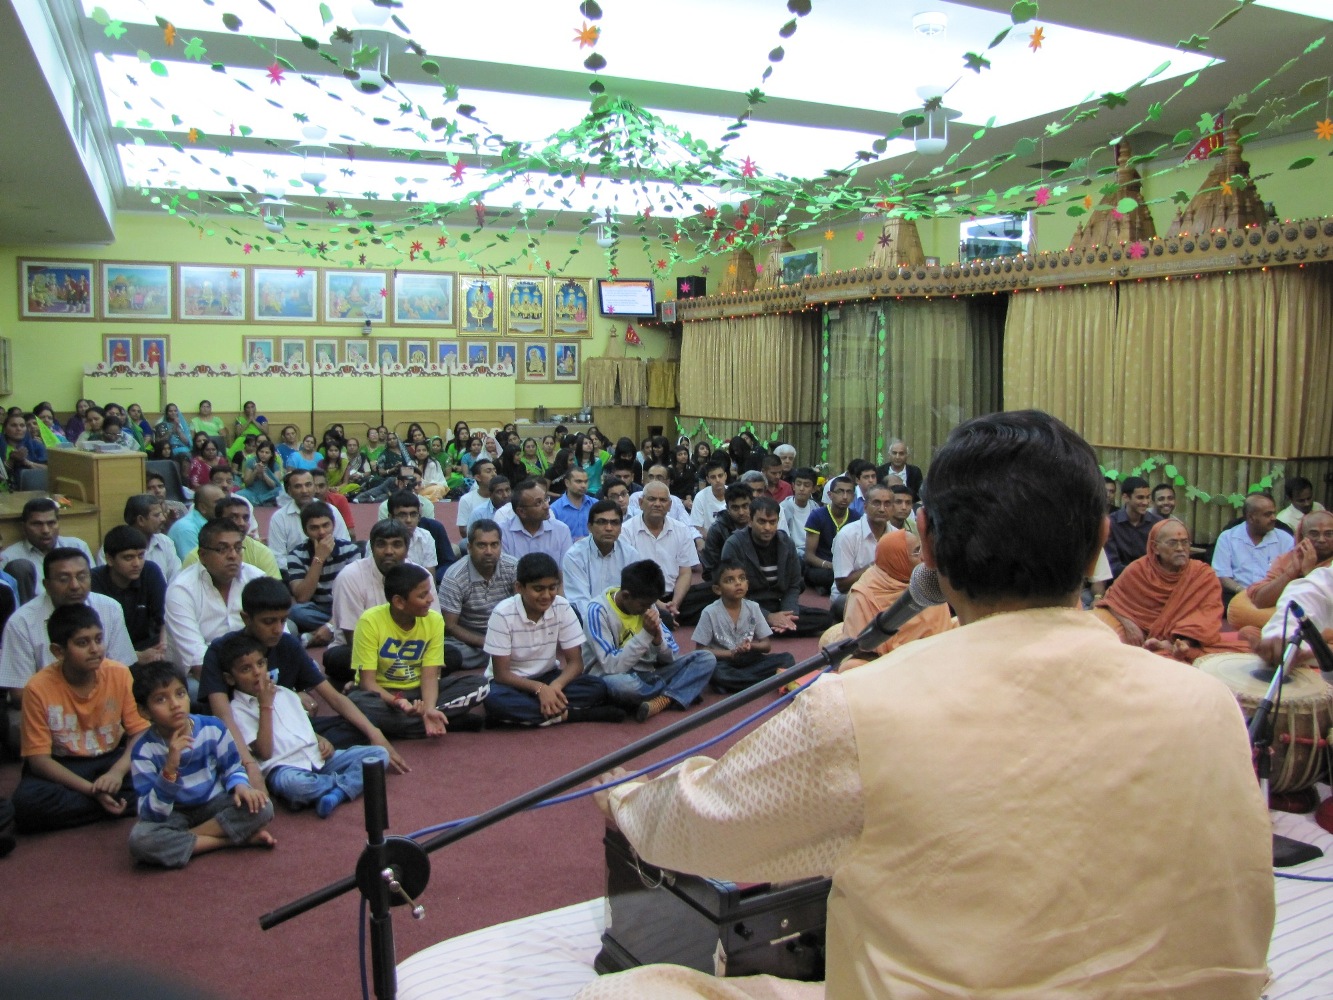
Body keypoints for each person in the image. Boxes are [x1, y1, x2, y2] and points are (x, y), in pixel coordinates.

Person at [585, 409, 1273, 1000]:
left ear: (929, 545)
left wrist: (626, 798)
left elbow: (699, 830)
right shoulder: (1209, 706)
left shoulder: (862, 711)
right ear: (1100, 540)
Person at [199, 577, 406, 795]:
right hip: (249, 739)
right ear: (246, 618)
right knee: (246, 765)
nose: (278, 629)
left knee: (365, 722)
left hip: (294, 731)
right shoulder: (222, 650)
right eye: (268, 622)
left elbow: (334, 697)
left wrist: (375, 734)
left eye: (283, 620)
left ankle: (326, 784)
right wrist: (250, 766)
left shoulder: (287, 643)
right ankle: (316, 781)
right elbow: (224, 717)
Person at [11, 605, 146, 833]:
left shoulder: (119, 673)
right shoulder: (37, 688)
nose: (95, 649)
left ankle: (96, 804)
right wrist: (92, 790)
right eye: (82, 643)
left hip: (111, 758)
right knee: (25, 805)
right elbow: (39, 760)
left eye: (98, 639)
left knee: (165, 773)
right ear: (58, 651)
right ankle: (111, 803)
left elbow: (140, 732)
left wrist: (116, 772)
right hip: (64, 764)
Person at [222, 634, 390, 817]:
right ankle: (343, 785)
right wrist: (265, 706)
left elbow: (305, 728)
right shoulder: (236, 710)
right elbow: (264, 752)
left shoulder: (284, 693)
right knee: (295, 786)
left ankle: (336, 792)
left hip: (316, 757)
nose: (257, 672)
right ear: (230, 678)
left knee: (379, 754)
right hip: (283, 768)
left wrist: (321, 740)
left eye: (260, 664)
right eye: (246, 669)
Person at [127, 661, 275, 869]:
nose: (175, 704)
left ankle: (185, 839)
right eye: (161, 699)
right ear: (144, 711)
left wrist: (241, 787)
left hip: (213, 802)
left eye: (180, 694)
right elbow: (150, 813)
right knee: (140, 840)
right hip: (174, 812)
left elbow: (232, 767)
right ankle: (230, 840)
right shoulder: (143, 751)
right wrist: (169, 770)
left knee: (263, 806)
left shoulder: (212, 727)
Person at [482, 553, 622, 726]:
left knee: (597, 687)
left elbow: (576, 663)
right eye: (538, 589)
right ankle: (572, 715)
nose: (547, 595)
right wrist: (540, 689)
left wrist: (554, 687)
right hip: (513, 683)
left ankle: (527, 716)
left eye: (552, 588)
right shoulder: (502, 613)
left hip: (548, 676)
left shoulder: (562, 606)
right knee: (495, 700)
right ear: (519, 587)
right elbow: (501, 674)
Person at [349, 563, 489, 737]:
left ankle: (414, 722)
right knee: (356, 702)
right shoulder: (370, 621)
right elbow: (367, 683)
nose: (431, 599)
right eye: (423, 595)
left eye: (429, 592)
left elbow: (429, 676)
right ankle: (447, 721)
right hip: (384, 695)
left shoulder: (434, 621)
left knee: (480, 685)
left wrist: (429, 709)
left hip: (419, 692)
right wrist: (397, 701)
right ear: (399, 602)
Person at [582, 560, 716, 722]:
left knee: (706, 659)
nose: (647, 609)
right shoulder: (598, 611)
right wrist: (646, 634)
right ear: (626, 596)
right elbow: (611, 666)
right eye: (643, 605)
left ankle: (662, 700)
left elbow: (673, 657)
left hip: (650, 674)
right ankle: (677, 692)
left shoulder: (649, 605)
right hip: (617, 676)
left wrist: (659, 642)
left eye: (651, 604)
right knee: (621, 686)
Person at [1095, 519, 1246, 663]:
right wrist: (1129, 625)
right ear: (1155, 547)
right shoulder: (1138, 570)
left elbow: (1207, 616)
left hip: (1189, 641)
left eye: (1184, 542)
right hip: (1143, 638)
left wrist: (1184, 642)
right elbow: (1111, 600)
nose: (1180, 548)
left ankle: (1172, 647)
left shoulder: (1203, 574)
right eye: (1173, 543)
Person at [0, 549, 136, 697]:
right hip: (47, 705)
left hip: (104, 700)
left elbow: (122, 671)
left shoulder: (110, 608)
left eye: (82, 576)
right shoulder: (21, 622)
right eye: (64, 579)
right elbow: (20, 692)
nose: (75, 585)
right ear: (47, 585)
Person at [325, 519, 441, 690]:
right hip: (361, 651)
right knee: (336, 659)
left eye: (396, 545)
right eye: (381, 545)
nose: (389, 551)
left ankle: (368, 687)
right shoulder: (349, 577)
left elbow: (433, 625)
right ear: (371, 547)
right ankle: (397, 684)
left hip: (412, 649)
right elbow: (352, 636)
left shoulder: (421, 576)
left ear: (407, 548)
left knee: (451, 655)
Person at [164, 518, 267, 689]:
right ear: (202, 555)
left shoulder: (256, 578)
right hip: (200, 674)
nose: (233, 555)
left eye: (238, 548)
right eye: (222, 549)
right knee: (195, 690)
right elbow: (199, 663)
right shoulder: (181, 590)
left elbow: (280, 637)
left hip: (251, 668)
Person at [838, 531, 954, 668]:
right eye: (916, 551)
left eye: (923, 548)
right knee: (850, 666)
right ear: (896, 559)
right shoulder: (863, 593)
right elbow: (860, 650)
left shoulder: (926, 581)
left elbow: (943, 634)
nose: (923, 557)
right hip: (886, 666)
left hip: (932, 657)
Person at [721, 496, 832, 638]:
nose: (767, 528)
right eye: (762, 521)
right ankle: (773, 627)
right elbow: (731, 592)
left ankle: (773, 628)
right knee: (729, 616)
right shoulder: (734, 544)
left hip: (777, 604)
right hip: (747, 605)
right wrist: (768, 616)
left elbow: (793, 585)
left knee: (825, 618)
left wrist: (788, 615)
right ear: (750, 521)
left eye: (772, 522)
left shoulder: (786, 543)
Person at [693, 560, 796, 692]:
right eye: (730, 580)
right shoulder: (709, 612)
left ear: (747, 583)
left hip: (750, 658)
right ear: (717, 589)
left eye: (742, 578)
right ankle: (761, 682)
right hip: (724, 661)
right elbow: (701, 650)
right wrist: (730, 653)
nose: (738, 583)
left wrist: (751, 646)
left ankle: (737, 684)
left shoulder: (753, 607)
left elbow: (766, 646)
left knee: (787, 659)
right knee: (717, 673)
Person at [1230, 509, 1333, 634]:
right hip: (1284, 621)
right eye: (1314, 534)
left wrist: (1309, 574)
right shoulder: (1286, 559)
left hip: (1322, 625)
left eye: (1329, 534)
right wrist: (1292, 572)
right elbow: (1260, 601)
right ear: (1302, 536)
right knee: (1246, 625)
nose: (1321, 539)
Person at [440, 519, 519, 671]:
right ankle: (504, 657)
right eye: (482, 545)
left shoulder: (513, 567)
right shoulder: (454, 577)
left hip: (507, 635)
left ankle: (503, 655)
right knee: (448, 654)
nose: (489, 551)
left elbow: (522, 607)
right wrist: (489, 643)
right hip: (470, 641)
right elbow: (450, 626)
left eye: (494, 545)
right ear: (469, 547)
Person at [285, 500, 360, 646]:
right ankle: (338, 632)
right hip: (319, 610)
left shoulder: (350, 550)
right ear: (305, 530)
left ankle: (318, 635)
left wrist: (330, 626)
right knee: (296, 612)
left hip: (348, 606)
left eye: (326, 525)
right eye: (314, 528)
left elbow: (356, 595)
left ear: (333, 525)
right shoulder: (296, 555)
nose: (321, 532)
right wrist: (319, 558)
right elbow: (302, 597)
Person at [622, 482, 700, 621]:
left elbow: (685, 572)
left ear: (669, 505)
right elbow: (630, 578)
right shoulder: (626, 531)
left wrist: (675, 603)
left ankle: (669, 615)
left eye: (663, 500)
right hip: (641, 597)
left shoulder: (681, 529)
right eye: (652, 499)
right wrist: (658, 605)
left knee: (714, 591)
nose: (657, 504)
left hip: (674, 595)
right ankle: (666, 617)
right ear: (641, 503)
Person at [90, 526, 167, 657]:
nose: (137, 563)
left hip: (147, 645)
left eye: (141, 556)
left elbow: (165, 617)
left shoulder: (150, 571)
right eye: (128, 558)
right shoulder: (94, 581)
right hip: (108, 652)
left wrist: (163, 644)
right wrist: (136, 657)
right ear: (109, 559)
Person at [562, 500, 644, 622]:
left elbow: (634, 596)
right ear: (589, 527)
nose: (609, 528)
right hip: (586, 620)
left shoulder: (630, 555)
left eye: (614, 523)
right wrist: (602, 624)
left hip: (622, 619)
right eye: (602, 522)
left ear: (621, 528)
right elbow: (580, 601)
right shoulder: (575, 556)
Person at [1, 497, 93, 599]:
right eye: (37, 524)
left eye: (51, 523)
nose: (45, 530)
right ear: (24, 527)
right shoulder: (9, 557)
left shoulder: (78, 546)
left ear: (58, 523)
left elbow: (92, 585)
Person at [1212, 491, 1294, 599]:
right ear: (1251, 518)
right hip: (1238, 596)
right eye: (1268, 514)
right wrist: (1242, 592)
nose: (1274, 518)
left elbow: (1290, 575)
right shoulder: (1227, 538)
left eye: (1274, 513)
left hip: (1275, 599)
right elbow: (1222, 575)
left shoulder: (1286, 540)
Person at [181, 496, 281, 580]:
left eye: (245, 518)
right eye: (233, 517)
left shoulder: (262, 552)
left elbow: (274, 593)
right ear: (217, 520)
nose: (241, 523)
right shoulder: (195, 557)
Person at [831, 483, 894, 609]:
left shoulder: (897, 536)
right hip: (852, 594)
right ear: (865, 507)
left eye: (887, 504)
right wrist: (876, 566)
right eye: (876, 503)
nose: (882, 509)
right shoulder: (847, 535)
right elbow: (842, 585)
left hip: (886, 593)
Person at [266, 470, 352, 559]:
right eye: (298, 486)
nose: (304, 491)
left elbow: (345, 546)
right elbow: (278, 556)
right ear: (289, 491)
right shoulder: (279, 518)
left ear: (314, 487)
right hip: (294, 566)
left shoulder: (331, 511)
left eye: (308, 485)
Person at [494, 479, 573, 564]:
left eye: (545, 499)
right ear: (522, 512)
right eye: (538, 503)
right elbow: (504, 569)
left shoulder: (561, 530)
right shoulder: (502, 533)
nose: (547, 506)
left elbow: (566, 568)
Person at [1103, 476, 1162, 578]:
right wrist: (1139, 574)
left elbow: (1161, 559)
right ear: (1125, 497)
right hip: (1119, 580)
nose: (1146, 502)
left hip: (1151, 579)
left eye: (1147, 497)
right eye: (1140, 498)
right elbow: (1112, 564)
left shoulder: (1158, 523)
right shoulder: (1110, 523)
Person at [803, 475, 853, 594]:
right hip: (823, 566)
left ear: (853, 496)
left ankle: (829, 587)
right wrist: (830, 565)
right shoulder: (817, 515)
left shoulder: (856, 517)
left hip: (847, 567)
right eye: (840, 492)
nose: (845, 496)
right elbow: (809, 556)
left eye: (849, 492)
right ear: (830, 495)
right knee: (817, 574)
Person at [116, 494, 181, 583]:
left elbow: (177, 579)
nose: (163, 519)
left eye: (162, 514)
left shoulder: (165, 542)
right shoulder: (115, 546)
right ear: (140, 520)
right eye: (157, 515)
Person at [701, 483, 752, 582]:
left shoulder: (759, 525)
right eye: (735, 508)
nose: (741, 512)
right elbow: (710, 569)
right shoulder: (716, 530)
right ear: (727, 508)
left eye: (745, 506)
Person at [166, 483, 225, 559]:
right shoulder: (186, 529)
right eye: (219, 502)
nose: (224, 506)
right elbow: (194, 562)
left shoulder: (216, 524)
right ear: (203, 508)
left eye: (224, 501)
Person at [689, 459, 730, 545]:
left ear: (725, 476)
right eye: (713, 477)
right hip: (710, 542)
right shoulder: (700, 497)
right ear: (708, 479)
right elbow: (697, 527)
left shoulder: (734, 493)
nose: (717, 480)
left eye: (720, 476)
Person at [778, 467, 820, 546]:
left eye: (806, 485)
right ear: (793, 486)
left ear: (813, 489)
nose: (801, 489)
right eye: (798, 484)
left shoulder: (816, 508)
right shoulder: (783, 508)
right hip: (791, 549)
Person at [550, 466, 594, 541]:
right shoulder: (554, 509)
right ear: (567, 483)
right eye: (578, 481)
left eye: (586, 481)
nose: (583, 485)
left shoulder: (595, 504)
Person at [457, 457, 497, 530]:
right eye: (488, 471)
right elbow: (463, 528)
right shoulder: (466, 499)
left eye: (495, 471)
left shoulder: (503, 497)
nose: (494, 474)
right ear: (478, 477)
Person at [238, 441, 283, 506]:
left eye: (267, 452)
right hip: (252, 492)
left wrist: (264, 474)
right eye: (261, 452)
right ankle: (261, 501)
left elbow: (274, 485)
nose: (263, 454)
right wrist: (255, 471)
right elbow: (247, 483)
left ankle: (259, 500)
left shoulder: (275, 465)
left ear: (271, 454)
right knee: (238, 495)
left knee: (280, 491)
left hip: (269, 493)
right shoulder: (251, 462)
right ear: (257, 452)